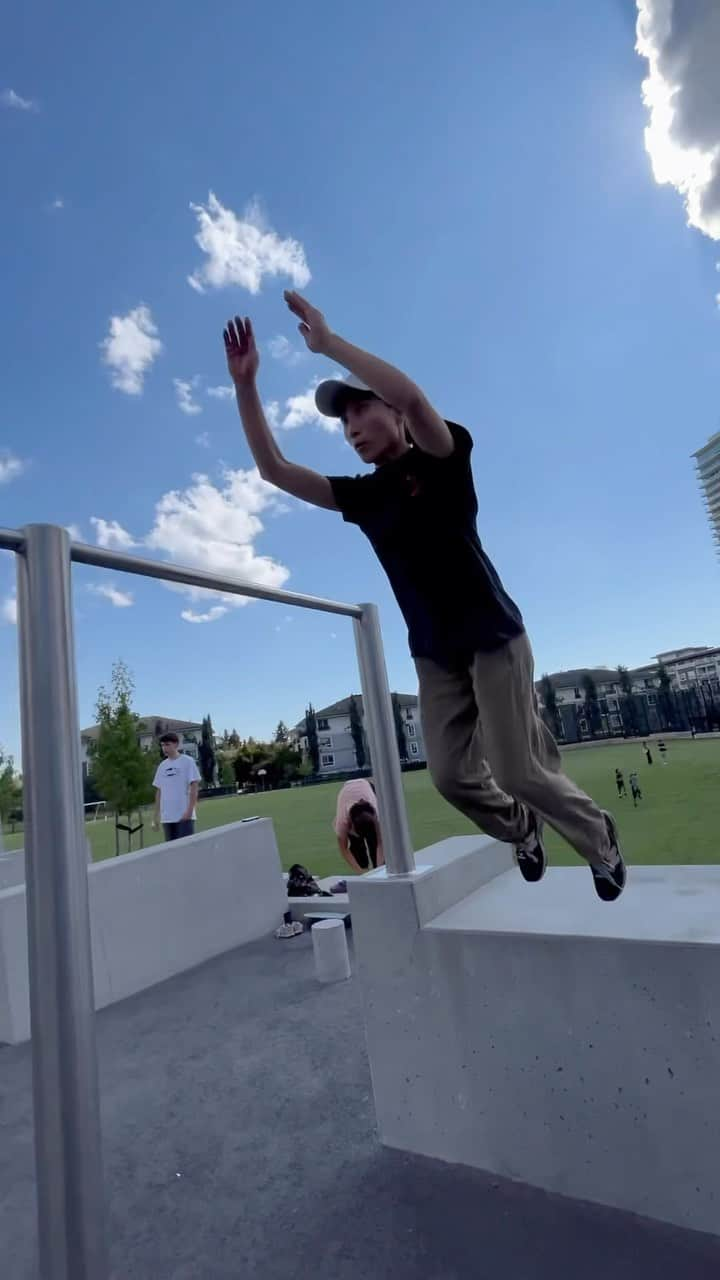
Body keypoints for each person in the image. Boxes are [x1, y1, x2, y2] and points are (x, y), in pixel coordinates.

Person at [223, 294, 626, 902]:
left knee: (517, 769)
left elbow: (413, 397)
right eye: (344, 423)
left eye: (361, 410)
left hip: (493, 636)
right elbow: (275, 470)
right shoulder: (363, 498)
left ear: (395, 414)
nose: (352, 427)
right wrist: (246, 384)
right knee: (449, 776)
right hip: (435, 654)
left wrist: (327, 343)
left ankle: (600, 837)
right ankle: (523, 831)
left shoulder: (442, 458)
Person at [152, 732, 200, 841]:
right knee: (171, 852)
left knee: (186, 850)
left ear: (176, 744)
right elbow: (159, 791)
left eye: (167, 745)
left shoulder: (188, 762)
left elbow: (194, 787)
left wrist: (189, 811)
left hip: (184, 816)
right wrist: (156, 815)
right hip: (167, 818)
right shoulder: (162, 766)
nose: (164, 748)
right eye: (162, 745)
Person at [333, 778, 384, 875]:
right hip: (346, 790)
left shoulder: (377, 815)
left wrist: (379, 869)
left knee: (373, 841)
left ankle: (377, 869)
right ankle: (363, 868)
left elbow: (380, 843)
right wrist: (361, 872)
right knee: (356, 845)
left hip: (367, 785)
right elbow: (344, 849)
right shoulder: (343, 821)